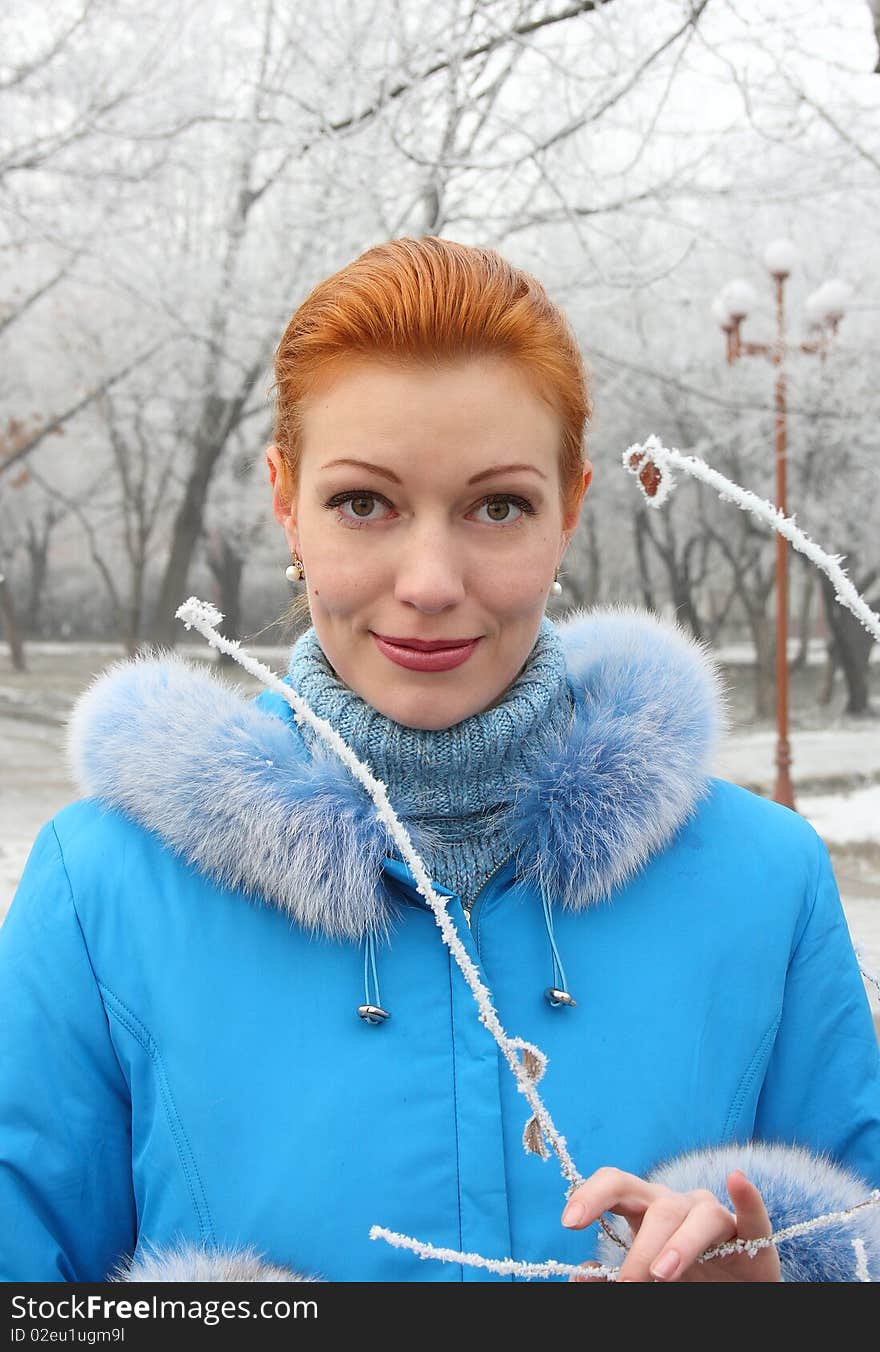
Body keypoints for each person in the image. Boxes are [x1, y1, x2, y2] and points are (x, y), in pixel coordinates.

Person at [1, 237, 879, 1285]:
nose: (427, 580)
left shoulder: (763, 879)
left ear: (569, 509)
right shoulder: (101, 887)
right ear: (286, 501)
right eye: (362, 502)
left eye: (496, 505)